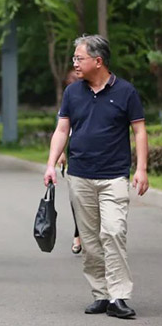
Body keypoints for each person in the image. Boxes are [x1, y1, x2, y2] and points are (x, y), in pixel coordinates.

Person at [44, 34, 149, 319]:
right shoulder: (72, 93)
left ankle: (118, 296)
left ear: (98, 61)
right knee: (90, 240)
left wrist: (141, 169)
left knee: (113, 232)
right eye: (74, 58)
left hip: (114, 176)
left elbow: (139, 130)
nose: (75, 64)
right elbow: (62, 130)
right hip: (80, 175)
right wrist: (51, 164)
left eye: (79, 58)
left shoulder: (125, 91)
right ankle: (101, 294)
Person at [56, 69, 82, 255]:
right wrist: (60, 153)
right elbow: (63, 130)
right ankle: (78, 234)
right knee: (77, 196)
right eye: (72, 80)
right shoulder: (70, 98)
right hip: (76, 151)